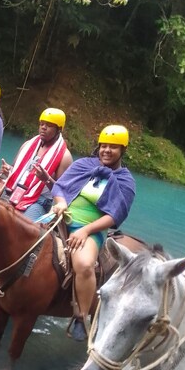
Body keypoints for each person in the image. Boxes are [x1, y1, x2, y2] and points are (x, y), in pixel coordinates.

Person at [52, 125, 136, 341]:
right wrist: (60, 203)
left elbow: (116, 215)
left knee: (84, 265)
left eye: (113, 147)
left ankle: (81, 317)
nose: (106, 150)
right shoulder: (83, 165)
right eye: (103, 146)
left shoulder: (126, 181)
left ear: (123, 150)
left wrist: (86, 230)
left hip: (90, 228)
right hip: (61, 217)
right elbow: (60, 187)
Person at [1, 108, 73, 221]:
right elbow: (14, 170)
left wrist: (46, 179)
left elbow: (63, 192)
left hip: (39, 200)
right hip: (15, 191)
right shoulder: (27, 145)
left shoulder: (64, 157)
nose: (43, 127)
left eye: (49, 125)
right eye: (42, 124)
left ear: (58, 130)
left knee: (24, 229)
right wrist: (8, 170)